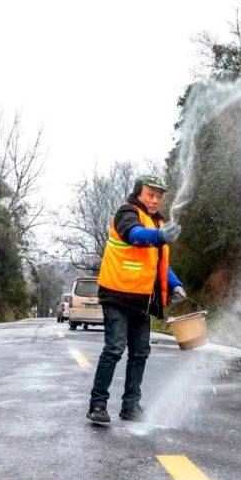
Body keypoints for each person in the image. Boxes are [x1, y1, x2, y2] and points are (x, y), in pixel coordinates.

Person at [86, 175, 187, 426]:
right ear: (138, 194)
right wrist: (159, 235)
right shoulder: (126, 213)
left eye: (159, 196)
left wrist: (174, 285)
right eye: (150, 195)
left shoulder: (157, 222)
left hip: (142, 299)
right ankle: (98, 404)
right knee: (114, 349)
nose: (155, 200)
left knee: (140, 352)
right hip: (117, 295)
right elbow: (134, 235)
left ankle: (130, 406)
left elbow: (159, 262)